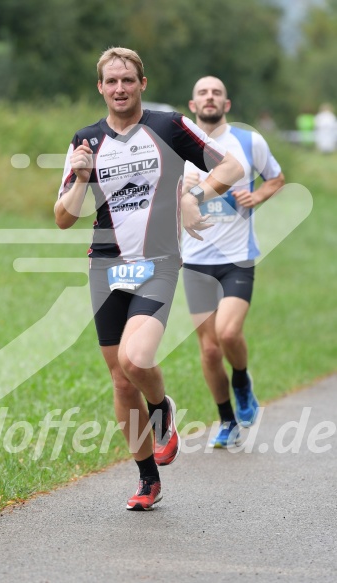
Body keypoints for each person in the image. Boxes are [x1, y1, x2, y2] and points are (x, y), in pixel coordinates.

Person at [54, 49, 243, 509]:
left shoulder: (167, 125)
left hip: (157, 262)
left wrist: (193, 194)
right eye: (111, 81)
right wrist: (80, 178)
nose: (119, 88)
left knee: (138, 361)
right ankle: (147, 480)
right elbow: (63, 217)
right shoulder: (86, 141)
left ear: (142, 83)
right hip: (104, 266)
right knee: (120, 381)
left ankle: (161, 409)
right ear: (100, 87)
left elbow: (231, 167)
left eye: (128, 80)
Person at [181, 76, 285, 448]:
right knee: (208, 349)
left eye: (217, 93)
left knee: (227, 334)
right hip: (194, 261)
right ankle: (226, 420)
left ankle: (241, 380)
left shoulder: (249, 142)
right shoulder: (180, 146)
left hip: (237, 259)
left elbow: (276, 178)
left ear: (226, 104)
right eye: (202, 93)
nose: (210, 97)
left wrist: (259, 195)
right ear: (193, 106)